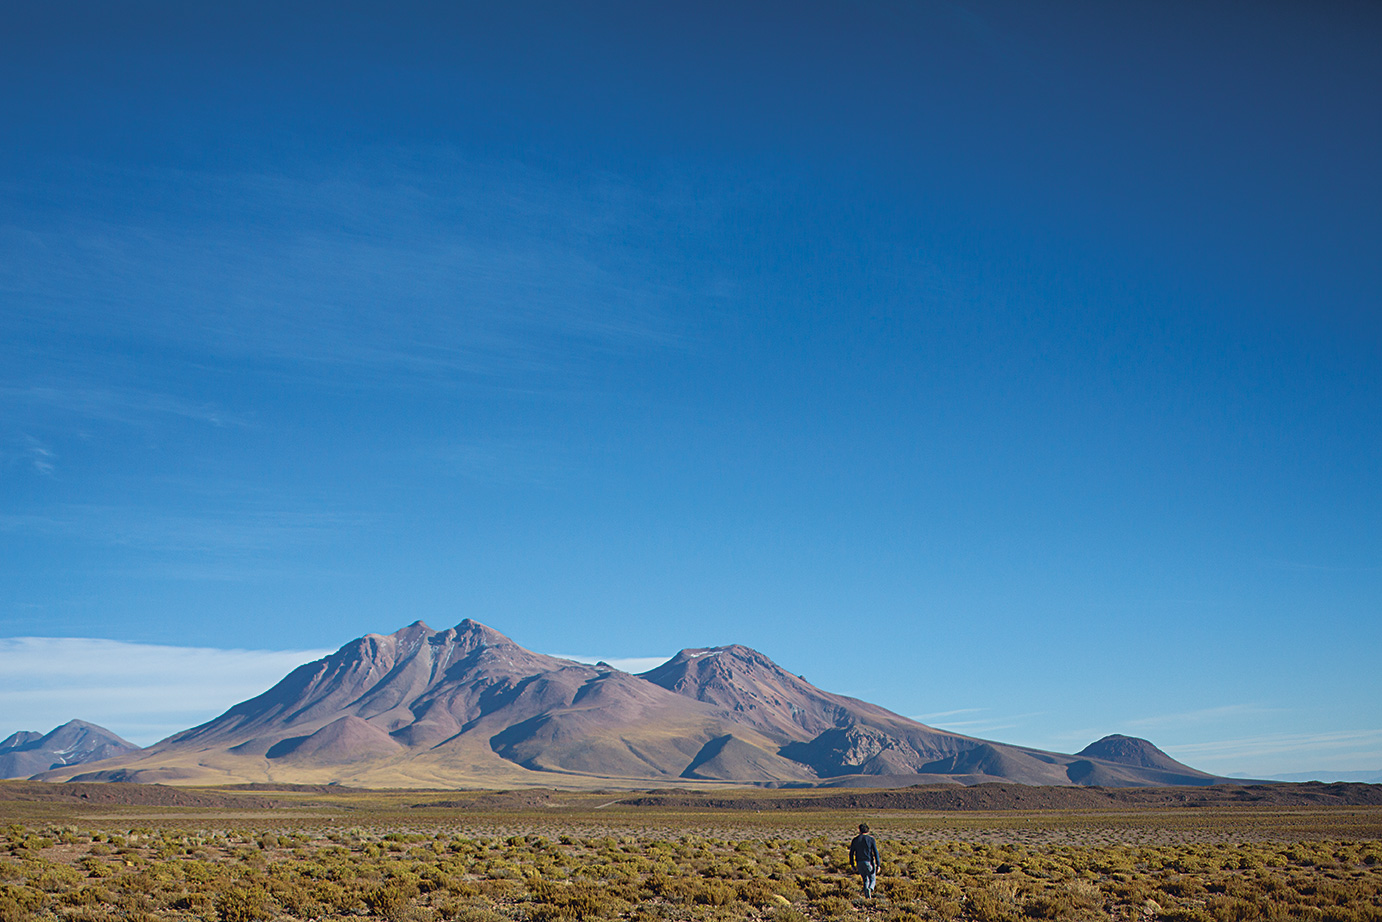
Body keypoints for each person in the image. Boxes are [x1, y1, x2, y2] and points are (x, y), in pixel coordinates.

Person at [848, 822, 880, 898]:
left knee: (865, 879)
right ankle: (870, 888)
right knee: (872, 878)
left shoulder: (855, 840)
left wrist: (852, 864)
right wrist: (878, 864)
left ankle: (867, 897)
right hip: (869, 862)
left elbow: (851, 853)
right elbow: (875, 852)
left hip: (859, 862)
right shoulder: (871, 839)